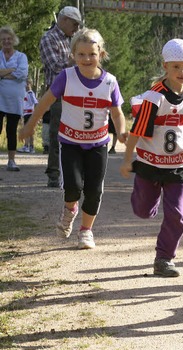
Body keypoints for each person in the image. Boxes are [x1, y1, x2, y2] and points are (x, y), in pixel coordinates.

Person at [20, 28, 126, 249]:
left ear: (101, 54)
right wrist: (30, 126)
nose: (87, 59)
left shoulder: (110, 82)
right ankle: (70, 210)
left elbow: (116, 112)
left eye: (92, 54)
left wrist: (122, 131)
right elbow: (45, 102)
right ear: (73, 55)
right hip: (70, 143)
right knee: (73, 187)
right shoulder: (66, 77)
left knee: (95, 189)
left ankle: (86, 231)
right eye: (81, 54)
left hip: (98, 144)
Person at [120, 39, 183, 277]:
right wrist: (128, 160)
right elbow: (136, 133)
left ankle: (164, 259)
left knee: (178, 216)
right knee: (143, 211)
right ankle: (147, 197)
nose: (182, 72)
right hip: (149, 164)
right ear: (165, 66)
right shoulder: (154, 98)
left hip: (179, 167)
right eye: (176, 66)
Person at [41, 6, 82, 187]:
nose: (76, 28)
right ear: (63, 20)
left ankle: (72, 174)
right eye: (74, 24)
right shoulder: (49, 38)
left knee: (77, 134)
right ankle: (54, 175)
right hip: (58, 93)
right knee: (57, 133)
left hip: (75, 93)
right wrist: (75, 60)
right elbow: (56, 67)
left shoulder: (71, 39)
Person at [0, 25, 28, 171]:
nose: (6, 42)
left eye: (9, 39)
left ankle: (11, 160)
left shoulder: (21, 57)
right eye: (3, 39)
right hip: (0, 98)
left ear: (13, 40)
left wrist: (2, 74)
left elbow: (22, 74)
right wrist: (12, 70)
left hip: (15, 99)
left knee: (11, 129)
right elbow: (16, 73)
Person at [19, 79, 37, 154]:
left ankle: (29, 146)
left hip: (29, 114)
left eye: (27, 84)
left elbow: (35, 102)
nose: (26, 85)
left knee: (29, 130)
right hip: (25, 114)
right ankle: (28, 146)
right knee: (27, 130)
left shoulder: (30, 93)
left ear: (30, 84)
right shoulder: (25, 93)